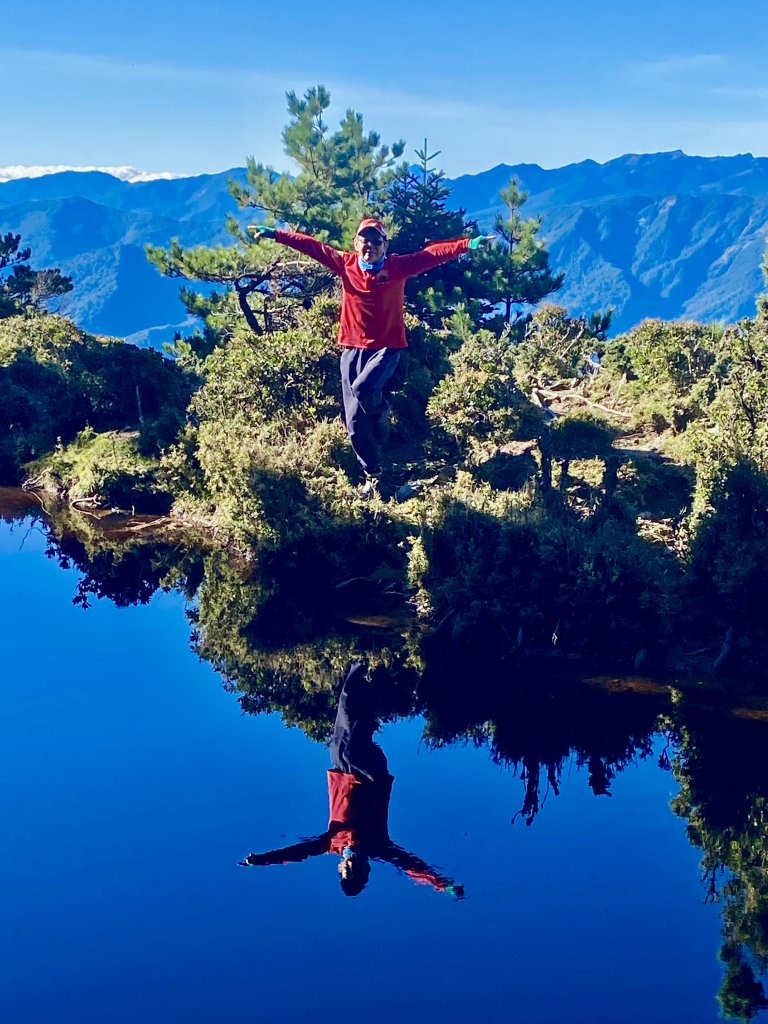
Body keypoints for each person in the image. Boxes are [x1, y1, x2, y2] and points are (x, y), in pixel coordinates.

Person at [249, 217, 493, 496]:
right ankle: (372, 474)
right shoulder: (345, 263)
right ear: (356, 243)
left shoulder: (397, 267)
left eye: (377, 241)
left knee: (364, 389)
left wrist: (468, 244)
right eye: (365, 240)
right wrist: (276, 235)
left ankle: (382, 417)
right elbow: (312, 246)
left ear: (385, 245)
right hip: (351, 349)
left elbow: (432, 254)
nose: (370, 246)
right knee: (353, 421)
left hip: (387, 347)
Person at [239, 662, 463, 898]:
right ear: (367, 868)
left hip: (342, 771)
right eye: (357, 872)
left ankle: (375, 671)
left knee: (339, 738)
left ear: (340, 868)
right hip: (371, 776)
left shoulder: (331, 844)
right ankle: (369, 662)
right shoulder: (378, 846)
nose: (350, 867)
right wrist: (442, 885)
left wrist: (262, 860)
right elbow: (411, 866)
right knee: (352, 741)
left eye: (346, 872)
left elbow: (296, 853)